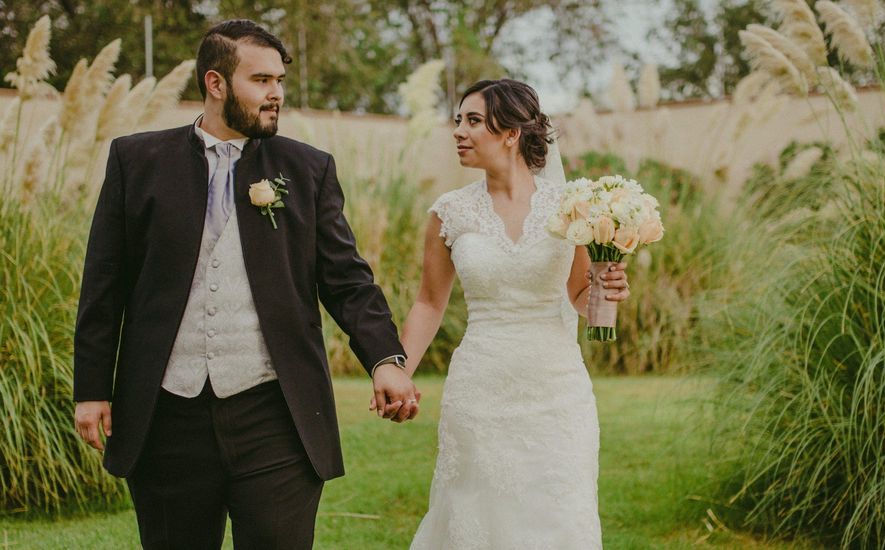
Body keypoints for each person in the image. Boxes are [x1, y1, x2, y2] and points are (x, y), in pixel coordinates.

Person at [72, 19, 418, 549]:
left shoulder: (306, 169)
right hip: (166, 415)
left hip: (274, 414)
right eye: (260, 80)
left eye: (279, 80)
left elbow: (347, 280)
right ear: (216, 83)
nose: (275, 93)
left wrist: (386, 360)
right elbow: (104, 284)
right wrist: (93, 389)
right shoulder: (136, 160)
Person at [391, 79, 629, 548]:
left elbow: (582, 297)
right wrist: (399, 372)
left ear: (511, 133)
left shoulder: (570, 208)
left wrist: (607, 292)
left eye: (473, 121)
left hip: (558, 391)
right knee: (478, 517)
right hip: (480, 390)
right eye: (457, 120)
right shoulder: (450, 212)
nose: (459, 131)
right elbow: (428, 302)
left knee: (558, 517)